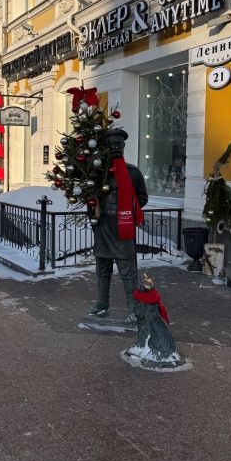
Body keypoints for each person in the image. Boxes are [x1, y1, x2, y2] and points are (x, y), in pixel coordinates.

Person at [89, 128, 148, 320]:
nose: (115, 147)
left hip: (123, 228)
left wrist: (128, 210)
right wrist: (94, 216)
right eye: (112, 144)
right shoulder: (98, 173)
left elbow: (142, 197)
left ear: (123, 146)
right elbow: (90, 197)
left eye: (118, 144)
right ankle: (102, 303)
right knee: (102, 270)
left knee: (128, 272)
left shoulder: (133, 172)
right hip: (103, 227)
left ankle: (133, 308)